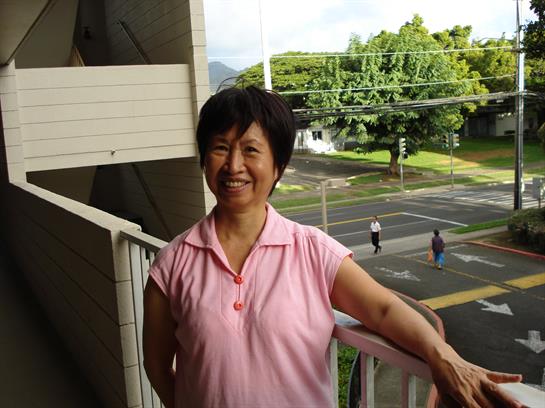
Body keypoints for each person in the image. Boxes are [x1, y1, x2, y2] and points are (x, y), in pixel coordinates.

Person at [143, 86, 523, 408]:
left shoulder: (312, 251)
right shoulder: (171, 264)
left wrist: (442, 355)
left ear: (278, 165)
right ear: (204, 160)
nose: (234, 165)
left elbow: (384, 308)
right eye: (221, 147)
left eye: (251, 150)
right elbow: (157, 366)